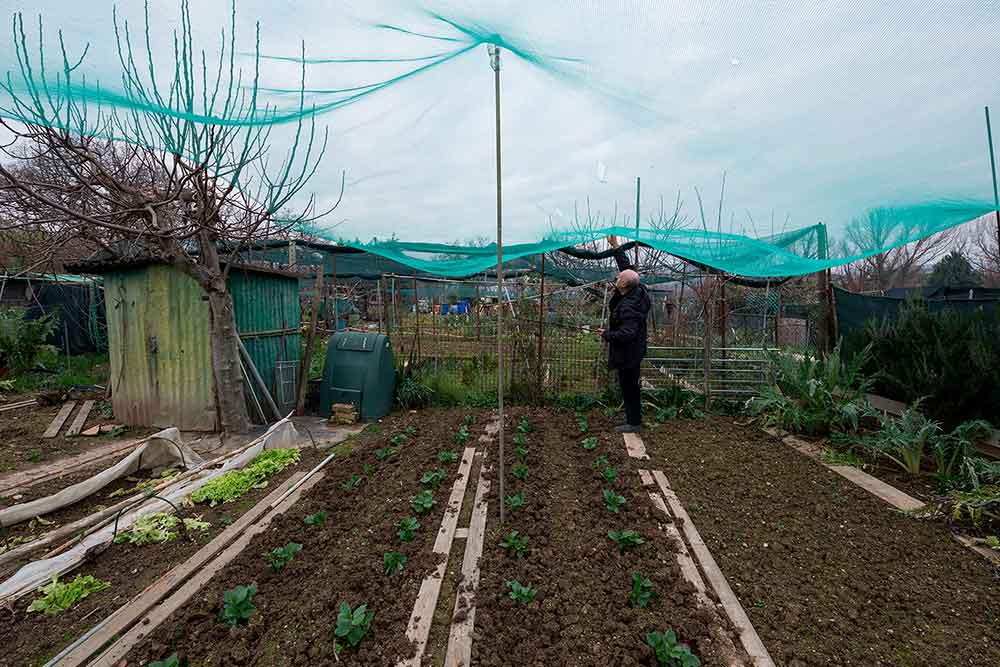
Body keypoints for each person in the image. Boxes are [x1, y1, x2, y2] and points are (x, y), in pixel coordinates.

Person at [600, 235, 651, 433]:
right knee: (630, 386)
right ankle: (632, 417)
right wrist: (616, 247)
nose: (617, 278)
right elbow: (627, 268)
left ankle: (634, 423)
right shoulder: (637, 288)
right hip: (634, 350)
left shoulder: (629, 307)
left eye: (619, 279)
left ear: (623, 285)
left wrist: (607, 334)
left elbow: (627, 333)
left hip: (629, 354)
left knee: (629, 386)